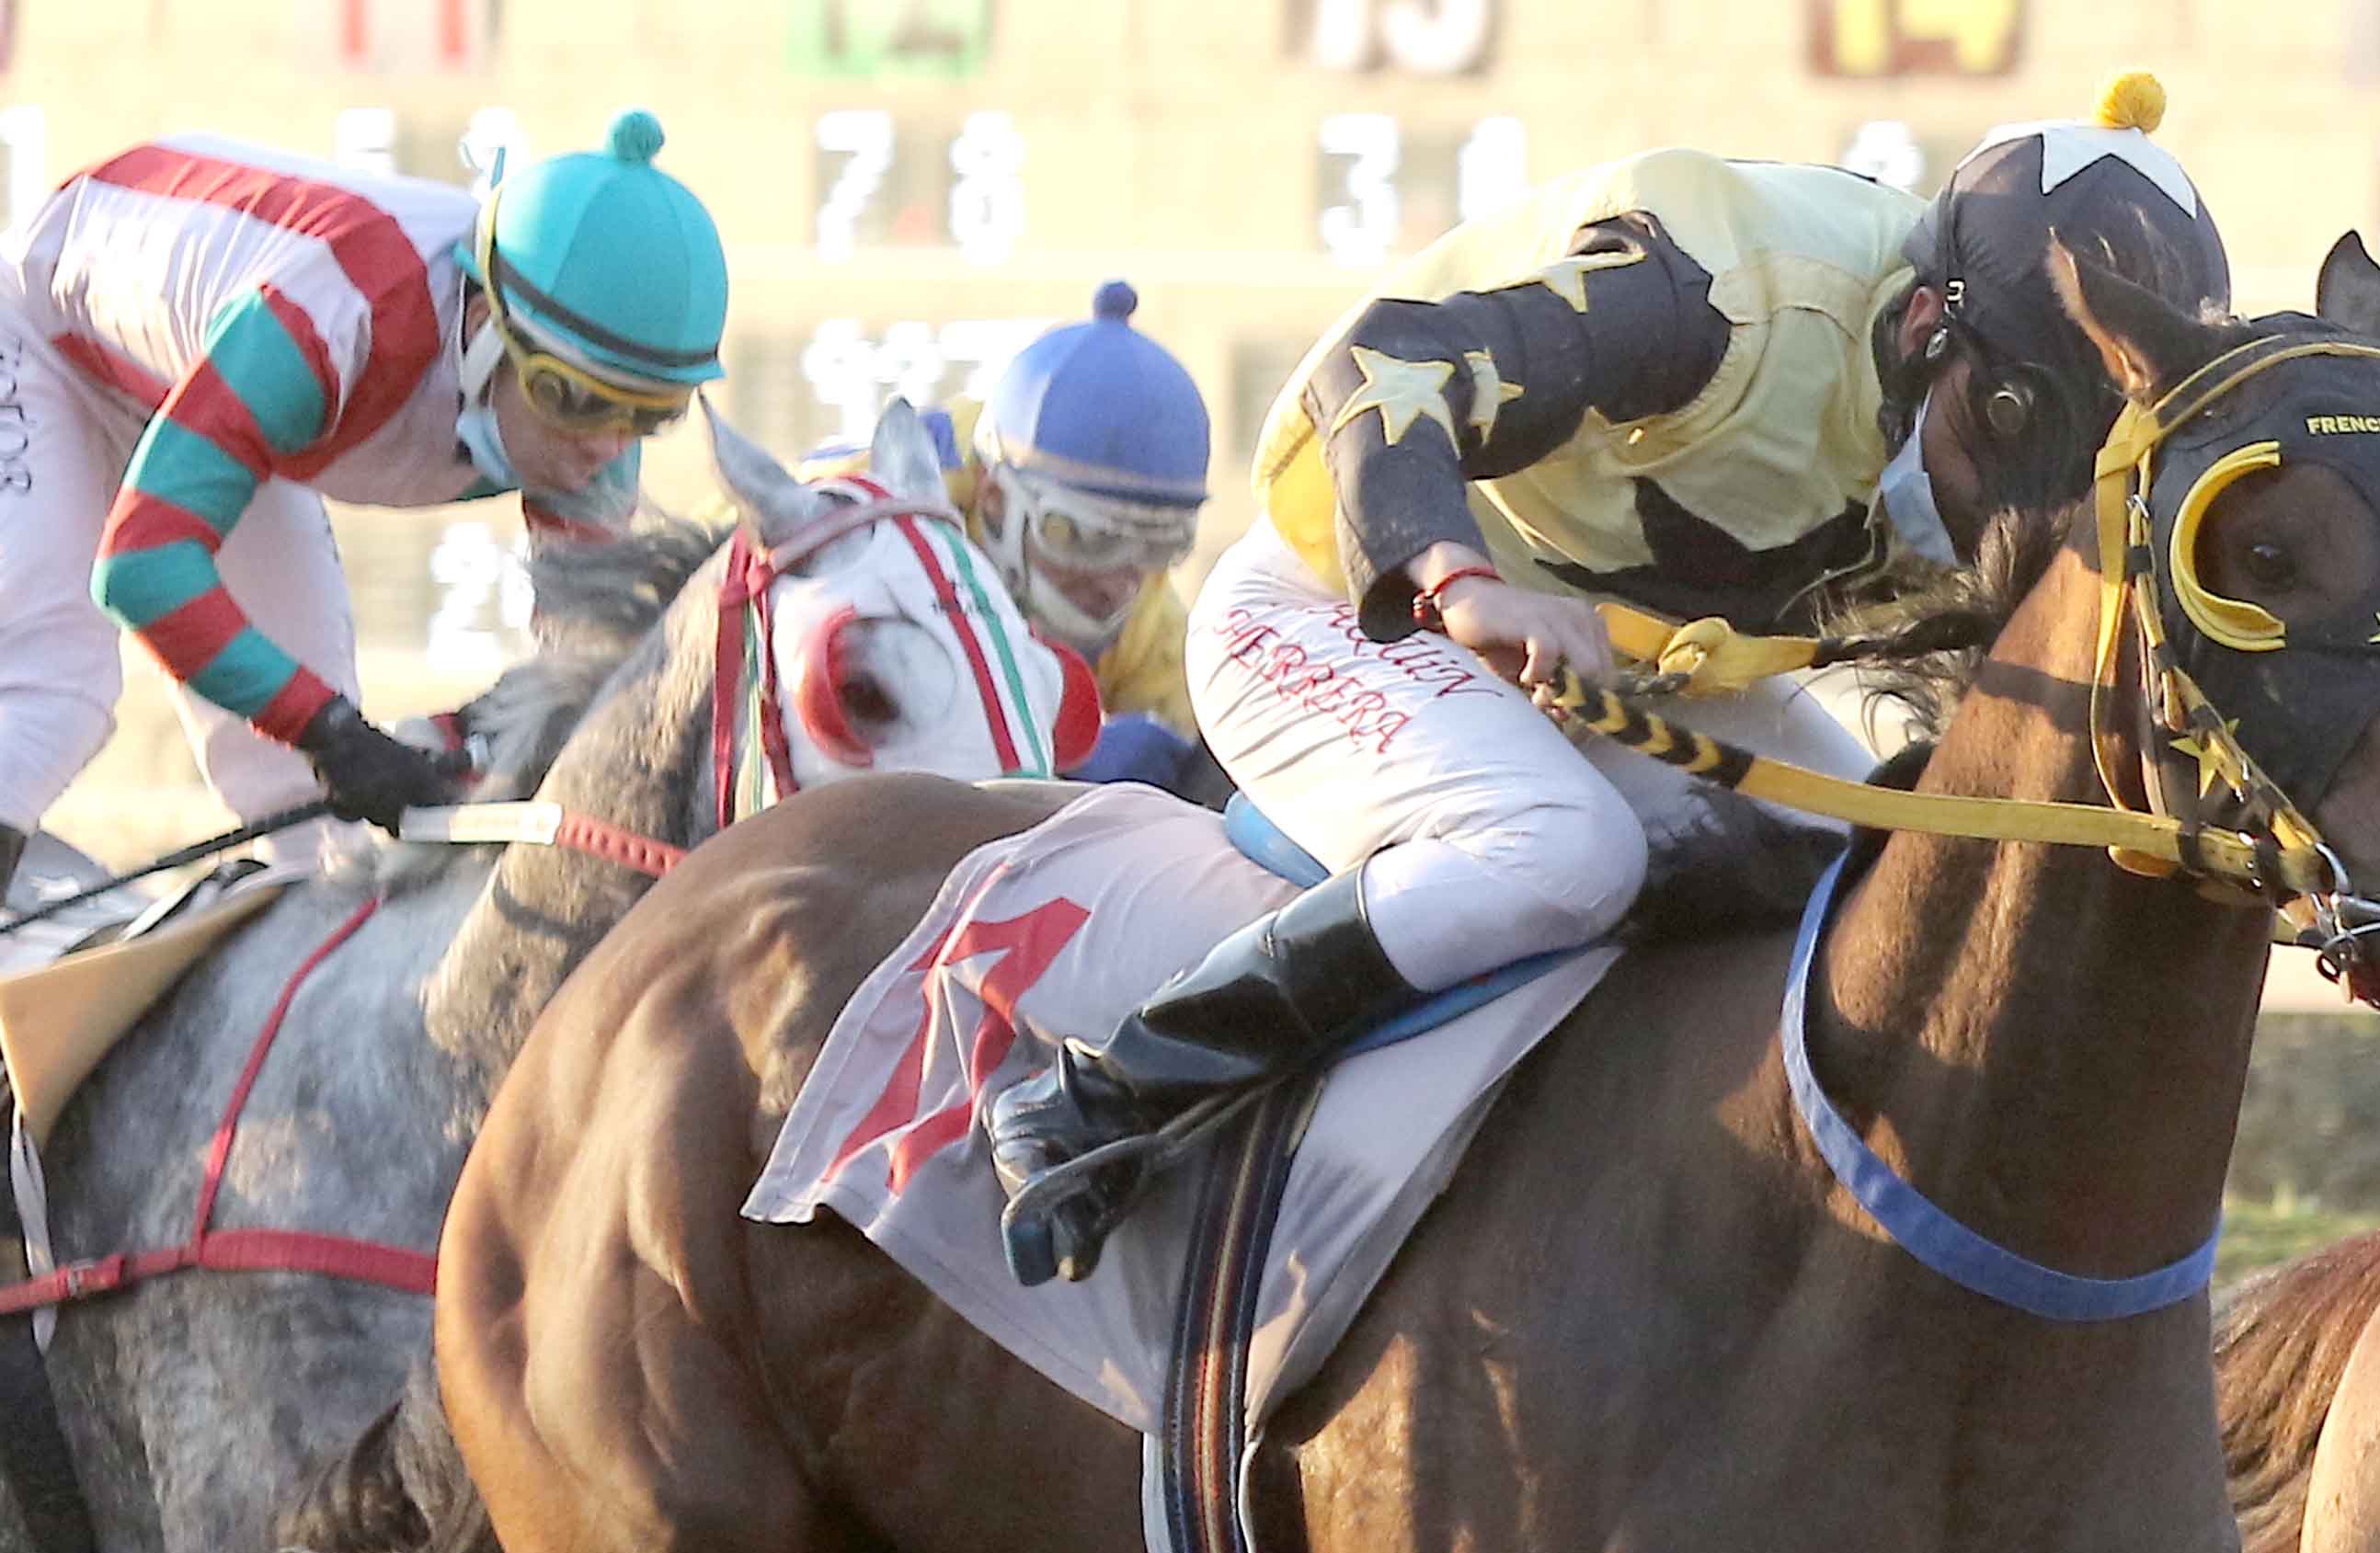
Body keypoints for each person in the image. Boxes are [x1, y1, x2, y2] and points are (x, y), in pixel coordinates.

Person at [982, 73, 2231, 1282]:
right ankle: (1106, 1095)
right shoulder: (1719, 295)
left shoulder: (1973, 384)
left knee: (1885, 870)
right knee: (1559, 852)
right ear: (1923, 329)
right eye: (1996, 445)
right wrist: (1463, 584)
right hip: (1345, 609)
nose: (2002, 517)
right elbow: (1376, 366)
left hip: (1622, 669)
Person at [0, 112, 724, 897]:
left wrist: (450, 736)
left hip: (207, 380)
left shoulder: (592, 405)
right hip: (49, 341)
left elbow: (578, 673)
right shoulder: (338, 318)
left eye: (650, 415)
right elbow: (142, 569)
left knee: (316, 831)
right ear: (484, 325)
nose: (606, 448)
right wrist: (334, 732)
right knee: (54, 694)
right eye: (572, 399)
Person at [875, 281, 1212, 792]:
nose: (1117, 583)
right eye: (1085, 538)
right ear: (994, 498)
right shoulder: (886, 517)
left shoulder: (1150, 616)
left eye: (1158, 544)